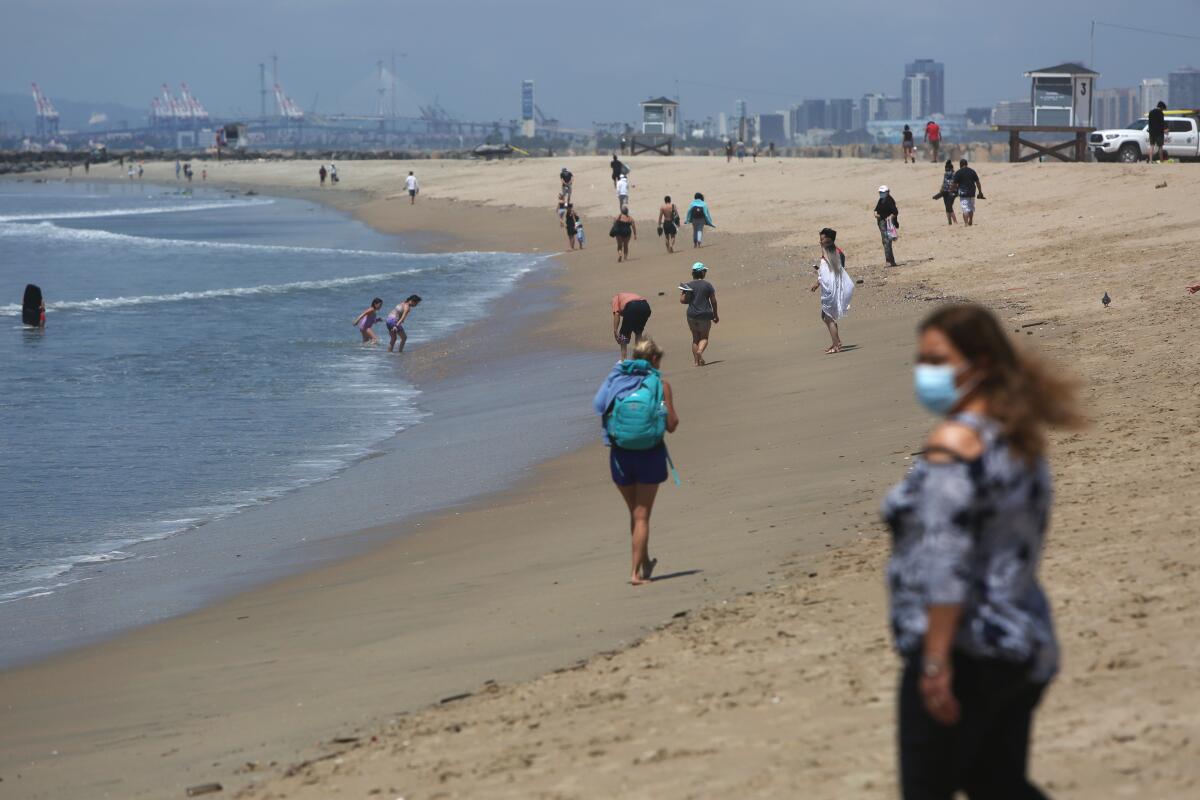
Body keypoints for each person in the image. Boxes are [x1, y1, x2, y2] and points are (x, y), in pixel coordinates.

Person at [882, 303, 1084, 800]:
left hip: (966, 646)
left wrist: (935, 660)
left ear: (982, 363)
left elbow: (947, 560)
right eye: (922, 360)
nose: (926, 372)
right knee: (997, 784)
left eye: (938, 360)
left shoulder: (955, 443)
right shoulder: (1015, 437)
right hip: (1020, 638)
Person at [592, 338, 679, 586]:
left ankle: (645, 561)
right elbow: (671, 425)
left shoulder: (616, 382)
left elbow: (599, 408)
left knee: (635, 513)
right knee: (642, 516)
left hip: (620, 455)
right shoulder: (661, 385)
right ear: (654, 360)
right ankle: (635, 573)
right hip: (649, 454)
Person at [810, 228, 854, 354]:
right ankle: (836, 342)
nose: (820, 241)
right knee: (828, 317)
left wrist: (818, 281)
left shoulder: (831, 252)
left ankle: (837, 344)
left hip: (832, 289)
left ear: (828, 240)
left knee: (827, 317)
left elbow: (832, 272)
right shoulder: (833, 251)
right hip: (832, 287)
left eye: (822, 239)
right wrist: (818, 281)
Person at [679, 262, 718, 366]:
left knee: (695, 338)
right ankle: (700, 351)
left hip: (691, 315)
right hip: (705, 314)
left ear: (693, 273)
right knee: (704, 337)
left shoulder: (688, 285)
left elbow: (682, 301)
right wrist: (715, 315)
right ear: (703, 273)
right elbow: (713, 301)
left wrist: (685, 292)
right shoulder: (708, 285)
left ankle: (696, 362)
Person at [612, 292, 652, 359]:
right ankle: (638, 357)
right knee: (638, 332)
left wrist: (615, 330)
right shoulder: (627, 296)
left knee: (623, 335)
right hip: (645, 306)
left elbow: (617, 314)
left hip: (632, 306)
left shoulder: (615, 299)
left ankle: (623, 360)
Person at [951, 159, 984, 227]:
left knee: (965, 209)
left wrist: (951, 190)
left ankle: (966, 223)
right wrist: (980, 191)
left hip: (963, 193)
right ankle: (970, 220)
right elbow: (977, 182)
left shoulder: (958, 172)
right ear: (967, 164)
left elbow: (954, 184)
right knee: (971, 208)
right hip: (972, 192)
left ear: (960, 165)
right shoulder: (972, 171)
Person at [875, 185, 899, 267]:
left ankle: (889, 261)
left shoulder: (889, 200)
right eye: (880, 192)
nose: (881, 194)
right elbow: (877, 209)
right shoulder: (881, 200)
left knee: (887, 241)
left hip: (887, 223)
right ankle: (891, 261)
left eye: (883, 192)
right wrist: (875, 213)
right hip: (881, 222)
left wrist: (889, 218)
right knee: (886, 241)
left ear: (887, 192)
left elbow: (895, 212)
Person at [933, 160, 958, 225]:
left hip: (947, 192)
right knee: (948, 206)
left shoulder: (948, 174)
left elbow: (944, 183)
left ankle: (953, 222)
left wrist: (941, 191)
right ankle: (951, 222)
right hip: (951, 192)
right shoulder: (954, 174)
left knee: (948, 206)